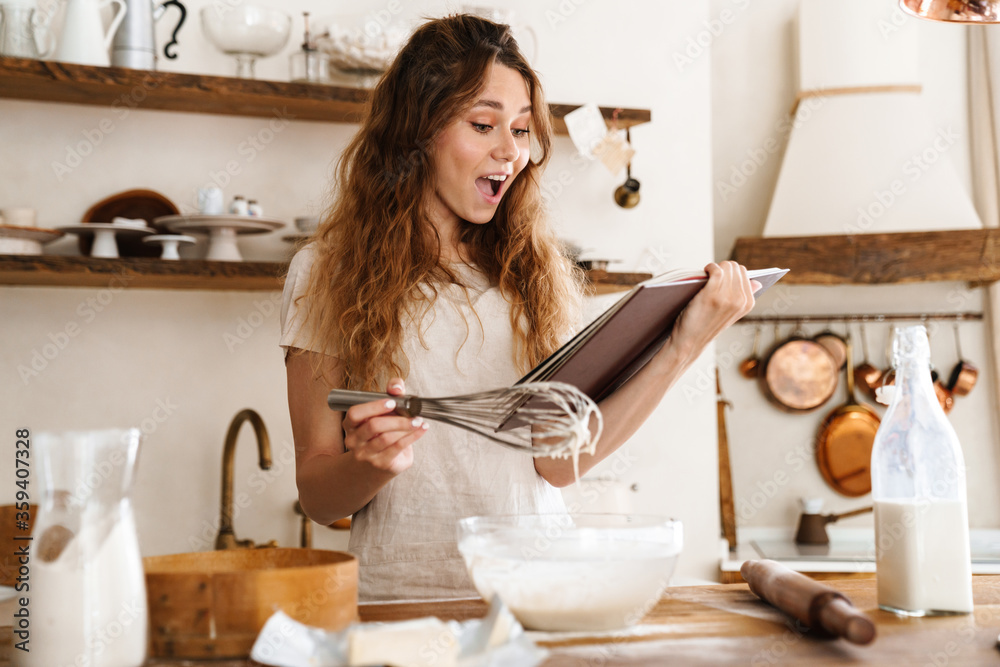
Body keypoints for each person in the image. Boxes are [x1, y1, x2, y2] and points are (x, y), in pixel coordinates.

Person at [280, 14, 757, 601]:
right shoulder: (326, 271)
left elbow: (556, 464)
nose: (511, 152)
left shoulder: (537, 272)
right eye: (483, 124)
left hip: (540, 590)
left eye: (524, 130)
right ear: (415, 131)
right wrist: (372, 463)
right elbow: (320, 497)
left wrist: (685, 345)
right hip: (404, 599)